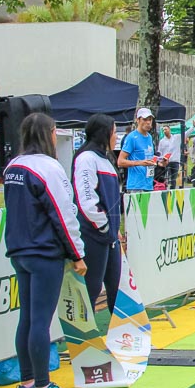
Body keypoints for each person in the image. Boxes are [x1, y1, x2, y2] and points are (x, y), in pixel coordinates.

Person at [4, 113, 86, 388]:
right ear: (48, 134)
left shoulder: (13, 165)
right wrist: (77, 254)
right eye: (54, 131)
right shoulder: (49, 168)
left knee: (27, 318)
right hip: (44, 252)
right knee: (40, 321)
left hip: (19, 251)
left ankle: (27, 383)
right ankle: (42, 387)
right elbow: (64, 215)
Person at [72, 114, 122, 314]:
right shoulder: (86, 159)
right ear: (104, 133)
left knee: (116, 287)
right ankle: (86, 341)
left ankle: (120, 334)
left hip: (109, 236)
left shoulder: (106, 159)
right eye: (114, 132)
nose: (116, 137)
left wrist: (114, 231)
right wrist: (104, 226)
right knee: (91, 289)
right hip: (93, 235)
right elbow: (87, 200)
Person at [117, 108, 164, 193]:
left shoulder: (149, 137)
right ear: (138, 120)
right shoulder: (131, 137)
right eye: (145, 119)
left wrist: (159, 162)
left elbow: (148, 157)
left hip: (149, 184)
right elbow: (120, 161)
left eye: (150, 119)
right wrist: (139, 163)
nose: (148, 122)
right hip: (136, 185)